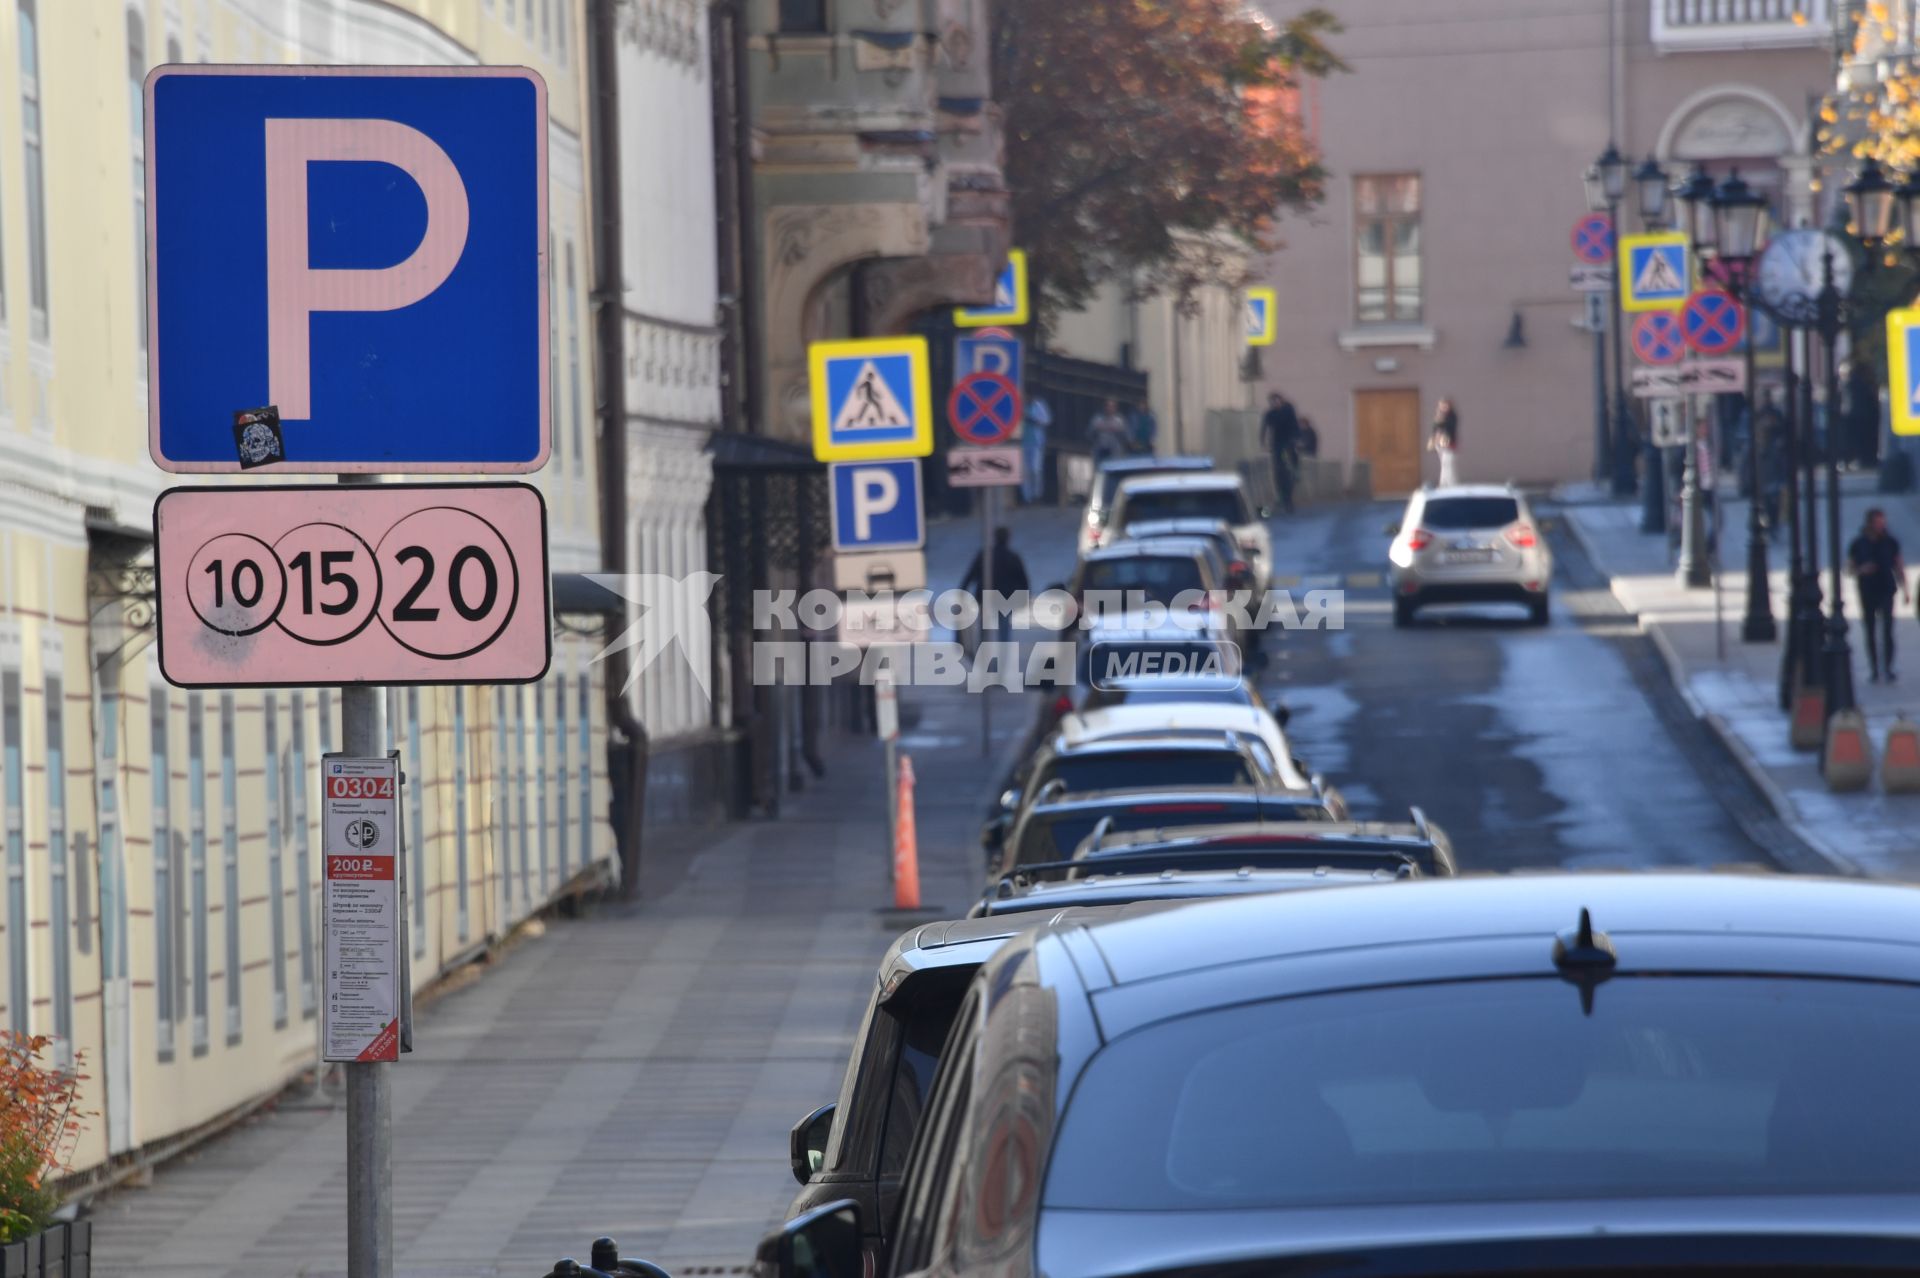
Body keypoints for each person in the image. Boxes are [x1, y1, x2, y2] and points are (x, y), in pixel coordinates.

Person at [1849, 507, 1909, 683]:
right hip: (1867, 590)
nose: (1881, 525)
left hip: (1886, 588)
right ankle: (1874, 668)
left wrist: (1906, 590)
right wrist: (1862, 569)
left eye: (1883, 522)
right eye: (1877, 522)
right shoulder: (1858, 543)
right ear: (1869, 523)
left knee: (1888, 629)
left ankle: (1888, 667)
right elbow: (1850, 569)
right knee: (1870, 629)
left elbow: (1899, 565)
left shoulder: (1890, 542)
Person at [962, 526, 1031, 646]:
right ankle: (1002, 653)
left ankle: (984, 651)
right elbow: (1023, 579)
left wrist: (963, 589)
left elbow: (971, 574)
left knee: (985, 627)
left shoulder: (985, 555)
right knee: (1003, 627)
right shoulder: (1013, 557)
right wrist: (1026, 595)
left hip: (986, 597)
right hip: (1006, 598)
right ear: (1008, 539)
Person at [1259, 391, 1301, 514]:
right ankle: (1282, 496)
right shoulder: (1270, 414)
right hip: (1277, 444)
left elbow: (1295, 425)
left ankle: (1296, 470)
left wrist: (1297, 439)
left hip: (1289, 441)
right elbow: (1264, 427)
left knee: (1292, 463)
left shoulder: (1288, 409)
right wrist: (1262, 442)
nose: (1275, 404)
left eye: (1276, 401)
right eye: (1272, 402)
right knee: (1278, 471)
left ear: (1281, 401)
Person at [1847, 359, 1882, 470]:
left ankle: (1864, 460)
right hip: (1864, 417)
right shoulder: (1861, 383)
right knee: (1865, 440)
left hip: (1858, 417)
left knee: (1861, 440)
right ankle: (1867, 460)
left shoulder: (1852, 383)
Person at [1020, 392, 1051, 506]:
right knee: (1025, 471)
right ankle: (1027, 497)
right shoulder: (1019, 405)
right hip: (1023, 442)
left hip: (1036, 443)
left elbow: (1046, 420)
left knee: (1036, 470)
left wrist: (1031, 418)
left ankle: (1037, 495)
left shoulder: (1039, 405)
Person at [1428, 397, 1460, 487]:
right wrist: (1434, 439)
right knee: (1443, 464)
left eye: (1445, 405)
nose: (1443, 407)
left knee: (1448, 463)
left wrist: (1441, 420)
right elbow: (1435, 428)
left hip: (1449, 443)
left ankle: (1452, 483)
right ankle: (1443, 483)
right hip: (1440, 443)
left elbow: (1449, 427)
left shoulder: (1452, 416)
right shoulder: (1439, 416)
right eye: (1441, 405)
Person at [1089, 399, 1130, 465]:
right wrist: (1098, 429)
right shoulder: (1097, 419)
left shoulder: (1119, 420)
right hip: (1100, 450)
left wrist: (1118, 430)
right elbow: (1090, 434)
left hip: (1115, 451)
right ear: (1105, 407)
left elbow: (1127, 436)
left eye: (1112, 406)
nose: (1110, 408)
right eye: (1108, 406)